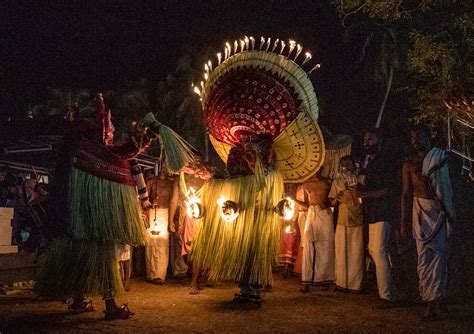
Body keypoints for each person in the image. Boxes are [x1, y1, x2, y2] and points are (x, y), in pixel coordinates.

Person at [36, 93, 153, 320]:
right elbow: (117, 156)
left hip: (76, 222)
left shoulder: (74, 154)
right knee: (101, 255)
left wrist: (141, 141)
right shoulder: (90, 155)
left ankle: (80, 300)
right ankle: (110, 305)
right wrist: (141, 141)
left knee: (80, 253)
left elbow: (119, 153)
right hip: (91, 223)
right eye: (107, 130)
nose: (109, 133)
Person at [400, 126, 455, 321]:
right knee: (424, 259)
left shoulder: (441, 158)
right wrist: (403, 223)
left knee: (440, 258)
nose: (415, 140)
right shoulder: (409, 164)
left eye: (419, 135)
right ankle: (429, 300)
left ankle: (437, 301)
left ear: (427, 136)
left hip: (439, 211)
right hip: (420, 213)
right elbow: (406, 194)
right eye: (412, 137)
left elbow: (448, 186)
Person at [352, 129, 396, 308]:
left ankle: (386, 296)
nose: (366, 141)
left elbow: (387, 190)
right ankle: (388, 289)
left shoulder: (385, 161)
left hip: (382, 211)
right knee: (375, 250)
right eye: (365, 138)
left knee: (378, 250)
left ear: (380, 140)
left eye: (370, 138)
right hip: (372, 212)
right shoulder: (369, 163)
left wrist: (363, 193)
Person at [169, 161, 212, 294]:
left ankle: (195, 281)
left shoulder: (206, 178)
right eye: (192, 159)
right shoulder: (180, 178)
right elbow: (174, 200)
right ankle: (197, 275)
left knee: (197, 249)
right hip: (184, 216)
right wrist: (170, 220)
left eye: (198, 160)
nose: (195, 163)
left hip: (200, 217)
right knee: (187, 252)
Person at [293, 171, 335, 293]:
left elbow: (333, 199)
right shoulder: (306, 185)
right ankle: (306, 281)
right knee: (309, 246)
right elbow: (306, 205)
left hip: (325, 214)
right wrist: (293, 199)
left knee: (326, 245)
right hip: (311, 214)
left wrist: (328, 204)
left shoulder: (327, 183)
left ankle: (325, 280)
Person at [329, 156, 364, 292]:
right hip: (342, 218)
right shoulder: (337, 181)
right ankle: (341, 282)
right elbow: (331, 201)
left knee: (356, 251)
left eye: (348, 164)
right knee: (341, 250)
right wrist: (338, 198)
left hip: (357, 217)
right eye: (343, 166)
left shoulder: (360, 178)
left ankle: (355, 285)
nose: (346, 168)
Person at [144, 168, 174, 285]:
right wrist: (149, 208)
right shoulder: (151, 182)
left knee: (162, 244)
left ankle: (159, 275)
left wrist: (172, 219)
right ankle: (150, 274)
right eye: (161, 168)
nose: (163, 171)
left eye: (165, 169)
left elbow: (174, 200)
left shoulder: (171, 184)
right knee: (151, 243)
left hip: (165, 213)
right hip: (152, 213)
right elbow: (143, 199)